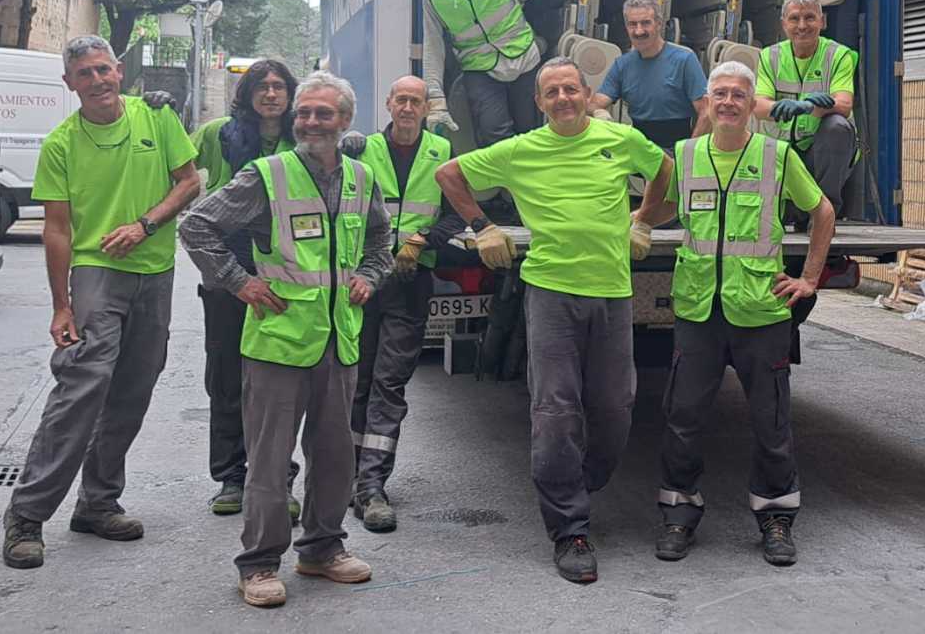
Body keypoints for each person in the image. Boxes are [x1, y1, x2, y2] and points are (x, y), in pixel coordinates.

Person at [434, 56, 674, 585]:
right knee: (556, 411)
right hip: (550, 293)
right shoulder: (521, 150)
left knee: (615, 407)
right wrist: (482, 226)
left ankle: (580, 480)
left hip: (612, 292)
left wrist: (643, 219)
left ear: (587, 94)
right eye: (552, 92)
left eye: (571, 89)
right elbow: (448, 174)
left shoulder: (619, 139)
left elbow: (663, 168)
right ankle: (570, 528)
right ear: (539, 102)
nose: (563, 98)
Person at [179, 73, 393, 609]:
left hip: (338, 341)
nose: (310, 122)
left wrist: (371, 275)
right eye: (304, 113)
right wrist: (240, 283)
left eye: (323, 113)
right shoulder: (268, 175)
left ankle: (323, 549)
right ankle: (258, 564)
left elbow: (380, 240)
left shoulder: (362, 178)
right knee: (270, 463)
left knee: (335, 456)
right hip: (278, 343)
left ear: (345, 121)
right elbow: (197, 225)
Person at [1, 35, 200, 570]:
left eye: (103, 70)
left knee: (134, 389)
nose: (96, 81)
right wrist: (61, 305)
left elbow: (189, 183)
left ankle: (97, 503)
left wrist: (145, 225)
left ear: (119, 71)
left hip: (154, 271)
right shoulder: (61, 144)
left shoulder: (155, 118)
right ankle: (26, 515)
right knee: (82, 386)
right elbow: (57, 229)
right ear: (69, 84)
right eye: (84, 74)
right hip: (97, 270)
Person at [649, 61, 835, 569]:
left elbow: (822, 212)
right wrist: (634, 221)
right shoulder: (685, 155)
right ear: (707, 102)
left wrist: (810, 278)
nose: (728, 102)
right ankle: (678, 515)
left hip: (760, 310)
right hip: (698, 309)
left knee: (770, 421)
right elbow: (664, 208)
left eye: (738, 95)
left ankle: (776, 519)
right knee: (683, 418)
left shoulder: (776, 156)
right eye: (720, 93)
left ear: (753, 105)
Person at [346, 76, 466, 533]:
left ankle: (372, 487)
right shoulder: (362, 149)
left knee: (389, 382)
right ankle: (350, 477)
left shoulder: (442, 151)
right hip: (363, 280)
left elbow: (456, 214)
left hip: (410, 282)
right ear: (389, 103)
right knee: (356, 380)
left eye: (416, 101)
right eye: (402, 100)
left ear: (426, 108)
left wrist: (422, 239)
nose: (408, 108)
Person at [190, 59, 303, 519]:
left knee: (280, 384)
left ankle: (277, 478)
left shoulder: (304, 137)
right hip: (226, 270)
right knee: (226, 379)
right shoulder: (217, 134)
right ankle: (231, 478)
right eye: (261, 86)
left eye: (279, 86)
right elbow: (171, 163)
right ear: (246, 92)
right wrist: (158, 113)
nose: (271, 94)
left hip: (285, 272)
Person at [411, 0, 548, 148]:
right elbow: (433, 46)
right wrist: (436, 99)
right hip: (479, 68)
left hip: (522, 54)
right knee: (494, 136)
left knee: (530, 133)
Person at [754, 0, 862, 214]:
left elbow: (844, 105)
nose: (802, 25)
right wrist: (779, 108)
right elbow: (758, 106)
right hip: (783, 154)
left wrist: (810, 107)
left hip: (819, 156)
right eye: (794, 18)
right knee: (778, 218)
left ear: (822, 21)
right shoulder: (769, 56)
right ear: (784, 24)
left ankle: (825, 213)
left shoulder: (839, 55)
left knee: (837, 127)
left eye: (810, 17)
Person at [588, 0, 709, 153]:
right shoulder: (622, 65)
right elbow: (596, 103)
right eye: (633, 24)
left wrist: (689, 152)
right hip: (638, 148)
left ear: (659, 24)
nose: (639, 31)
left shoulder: (684, 59)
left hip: (676, 148)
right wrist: (598, 112)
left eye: (645, 23)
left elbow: (706, 112)